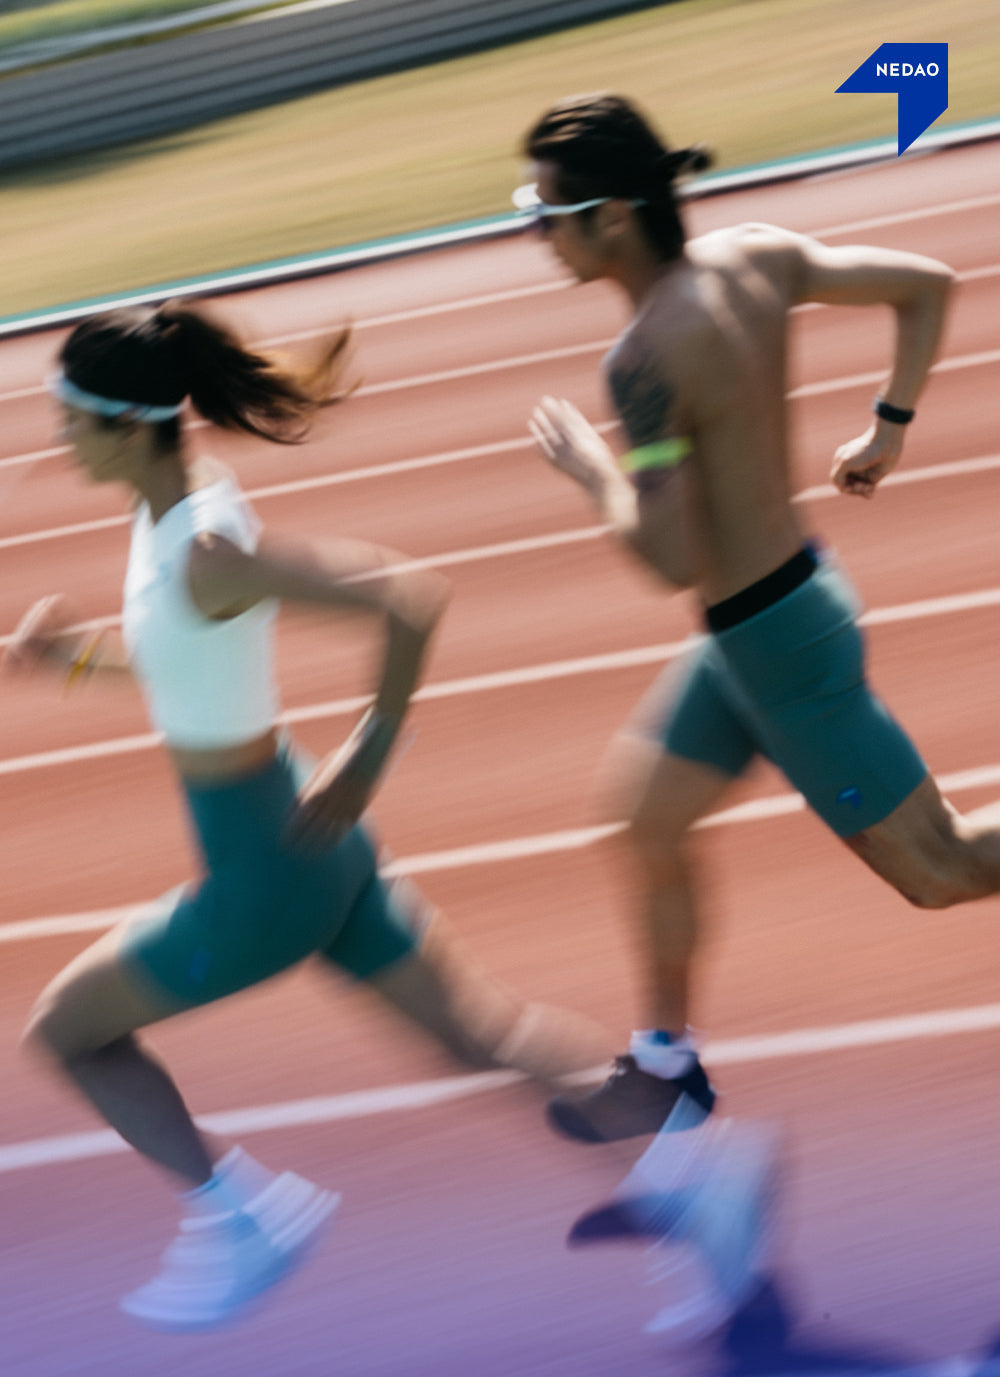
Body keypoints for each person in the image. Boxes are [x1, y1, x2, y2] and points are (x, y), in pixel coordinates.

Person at [5, 301, 612, 1331]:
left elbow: (409, 595)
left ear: (126, 426)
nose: (56, 435)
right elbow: (188, 663)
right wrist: (74, 662)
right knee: (485, 1035)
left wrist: (373, 748)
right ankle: (700, 1165)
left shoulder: (202, 548)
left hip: (265, 875)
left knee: (69, 1034)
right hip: (305, 838)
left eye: (69, 414)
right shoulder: (178, 503)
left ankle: (242, 1217)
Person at [515, 93, 1000, 1157]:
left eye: (547, 212)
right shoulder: (754, 253)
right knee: (644, 823)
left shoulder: (644, 361)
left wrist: (592, 471)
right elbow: (927, 285)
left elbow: (668, 559)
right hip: (764, 624)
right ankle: (665, 1068)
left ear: (613, 217)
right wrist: (888, 429)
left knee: (943, 870)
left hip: (777, 644)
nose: (537, 232)